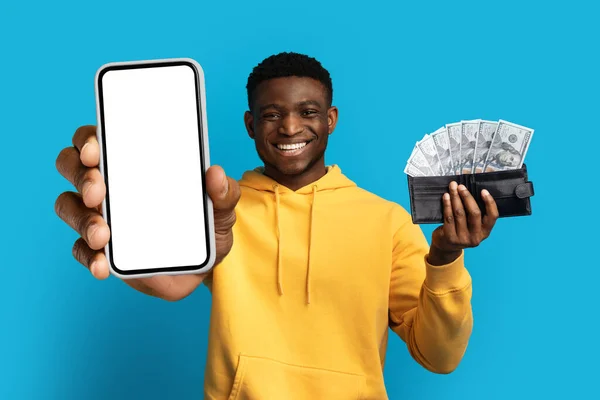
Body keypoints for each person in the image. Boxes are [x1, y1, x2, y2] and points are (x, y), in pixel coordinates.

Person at [55, 52, 499, 399]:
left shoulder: (385, 222)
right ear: (251, 124)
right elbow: (171, 279)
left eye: (308, 112)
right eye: (271, 114)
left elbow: (440, 355)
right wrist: (124, 225)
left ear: (330, 120)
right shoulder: (219, 205)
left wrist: (445, 258)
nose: (289, 127)